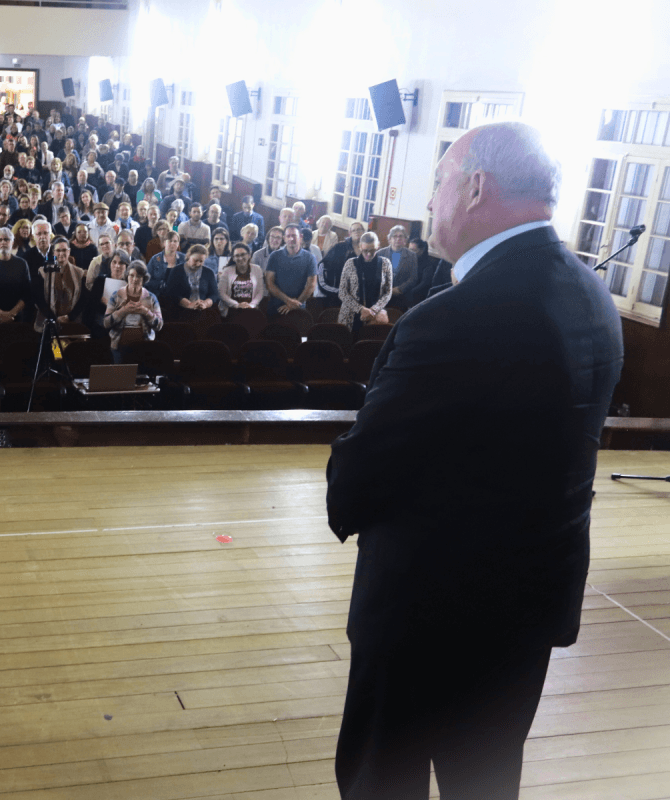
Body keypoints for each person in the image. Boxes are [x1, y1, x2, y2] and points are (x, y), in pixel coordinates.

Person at [327, 122, 624, 799]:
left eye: (437, 184)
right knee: (485, 784)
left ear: (475, 188)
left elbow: (357, 483)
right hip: (525, 607)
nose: (430, 201)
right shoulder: (593, 298)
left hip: (424, 613)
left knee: (384, 783)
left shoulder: (450, 320)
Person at [103, 261, 162, 361]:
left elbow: (159, 325)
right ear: (127, 276)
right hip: (119, 346)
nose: (135, 279)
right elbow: (106, 323)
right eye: (131, 275)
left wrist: (145, 312)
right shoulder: (116, 295)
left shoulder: (151, 297)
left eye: (139, 276)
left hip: (145, 347)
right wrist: (123, 311)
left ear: (144, 279)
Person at [337, 232, 392, 330]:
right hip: (350, 315)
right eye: (365, 250)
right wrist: (361, 309)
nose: (369, 254)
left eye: (373, 250)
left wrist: (373, 310)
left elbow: (388, 292)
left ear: (378, 246)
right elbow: (342, 292)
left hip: (375, 316)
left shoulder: (386, 263)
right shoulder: (350, 263)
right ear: (360, 246)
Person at [263, 224, 317, 316]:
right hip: (276, 305)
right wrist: (288, 301)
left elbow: (311, 285)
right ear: (284, 238)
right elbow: (269, 283)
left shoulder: (310, 258)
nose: (291, 239)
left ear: (300, 237)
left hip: (299, 305)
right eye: (288, 236)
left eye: (294, 235)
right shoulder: (275, 256)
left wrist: (295, 303)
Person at [377, 224, 420, 310]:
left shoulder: (412, 256)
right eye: (395, 236)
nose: (398, 239)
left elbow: (413, 278)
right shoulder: (380, 253)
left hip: (401, 297)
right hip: (381, 295)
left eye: (401, 236)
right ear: (389, 239)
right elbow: (375, 274)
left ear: (405, 239)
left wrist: (399, 289)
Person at [217, 243, 263, 316]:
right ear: (233, 258)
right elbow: (221, 293)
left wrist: (251, 305)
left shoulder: (257, 269)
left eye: (243, 254)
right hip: (231, 310)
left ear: (249, 255)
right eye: (237, 256)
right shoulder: (227, 271)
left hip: (251, 309)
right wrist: (237, 305)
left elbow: (260, 291)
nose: (240, 258)